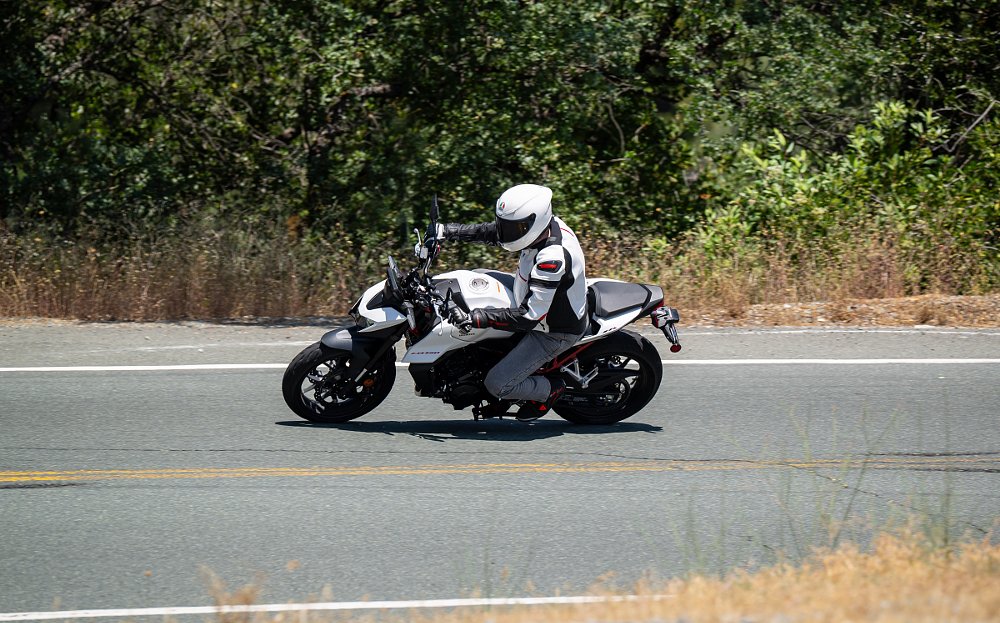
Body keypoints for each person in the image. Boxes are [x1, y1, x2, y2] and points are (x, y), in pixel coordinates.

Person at [430, 183, 588, 421]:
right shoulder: (542, 227)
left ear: (535, 221)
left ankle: (550, 389)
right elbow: (494, 232)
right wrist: (449, 231)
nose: (506, 232)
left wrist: (478, 317)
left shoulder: (552, 258)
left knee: (497, 383)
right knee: (472, 278)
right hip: (526, 292)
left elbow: (530, 317)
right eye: (506, 225)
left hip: (552, 330)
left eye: (515, 227)